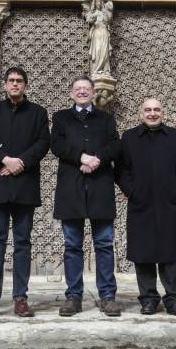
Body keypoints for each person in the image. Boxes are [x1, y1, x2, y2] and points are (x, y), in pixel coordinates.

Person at [0, 67, 50, 318]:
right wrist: (4, 160)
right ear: (5, 85)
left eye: (19, 81)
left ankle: (20, 297)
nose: (15, 84)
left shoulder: (38, 112)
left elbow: (43, 143)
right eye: (11, 81)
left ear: (25, 85)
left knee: (23, 243)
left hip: (24, 185)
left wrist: (21, 163)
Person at [51, 76, 121, 317]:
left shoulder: (106, 119)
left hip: (100, 186)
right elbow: (56, 145)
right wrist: (81, 157)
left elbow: (115, 146)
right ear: (71, 94)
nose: (82, 92)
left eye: (86, 89)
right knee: (72, 246)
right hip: (71, 189)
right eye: (77, 89)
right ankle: (74, 296)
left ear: (93, 93)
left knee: (103, 244)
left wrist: (96, 160)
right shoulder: (61, 118)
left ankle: (108, 296)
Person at [117, 98, 176, 316]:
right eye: (148, 110)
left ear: (163, 112)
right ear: (141, 114)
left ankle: (174, 299)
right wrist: (132, 191)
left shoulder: (175, 136)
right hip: (141, 203)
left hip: (169, 202)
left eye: (156, 109)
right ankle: (148, 299)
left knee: (172, 252)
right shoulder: (129, 138)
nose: (152, 113)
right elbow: (121, 170)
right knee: (144, 252)